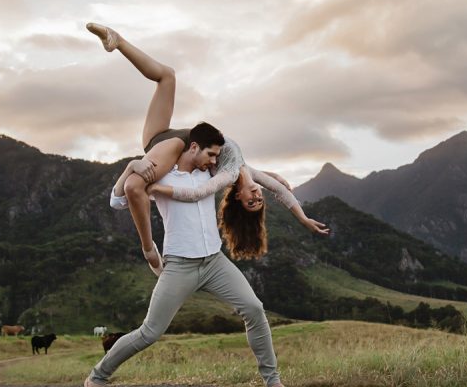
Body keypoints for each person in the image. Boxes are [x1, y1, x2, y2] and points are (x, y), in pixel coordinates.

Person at [89, 22, 328, 274]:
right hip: (167, 134)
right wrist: (299, 213)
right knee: (167, 76)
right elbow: (280, 190)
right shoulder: (246, 171)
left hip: (175, 144)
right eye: (259, 199)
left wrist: (155, 186)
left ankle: (149, 250)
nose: (257, 197)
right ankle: (119, 41)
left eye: (251, 203)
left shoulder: (226, 175)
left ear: (239, 197)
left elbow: (195, 194)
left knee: (134, 188)